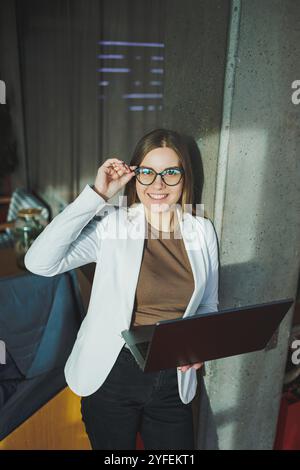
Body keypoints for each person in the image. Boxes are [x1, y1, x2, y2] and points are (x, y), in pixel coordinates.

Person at [24, 128, 219, 450]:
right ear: (134, 176)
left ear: (185, 177)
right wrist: (97, 196)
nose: (158, 184)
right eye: (147, 173)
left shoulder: (201, 229)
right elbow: (39, 262)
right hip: (112, 373)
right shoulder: (113, 224)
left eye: (170, 173)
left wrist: (199, 345)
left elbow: (208, 304)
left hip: (173, 378)